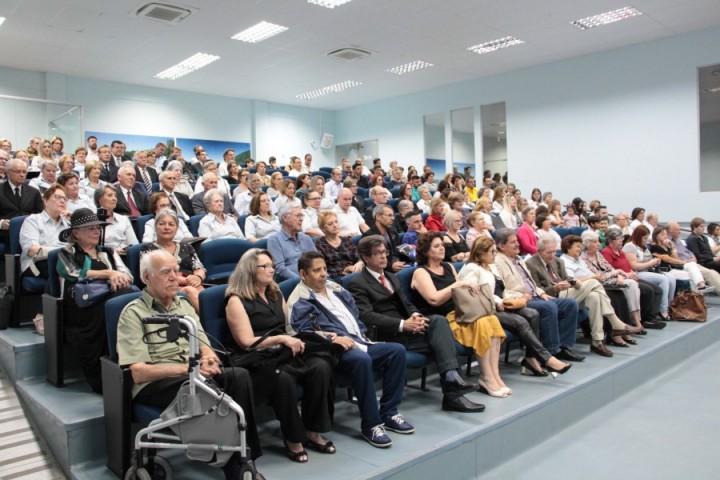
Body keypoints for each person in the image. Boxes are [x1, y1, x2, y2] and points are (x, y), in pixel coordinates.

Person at [116, 250, 265, 479]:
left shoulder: (183, 306)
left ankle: (247, 456)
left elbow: (205, 344)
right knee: (203, 389)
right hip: (158, 383)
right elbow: (138, 372)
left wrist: (207, 358)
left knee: (239, 376)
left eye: (176, 271)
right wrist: (190, 370)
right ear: (146, 277)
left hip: (192, 374)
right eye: (166, 272)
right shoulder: (133, 314)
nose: (175, 277)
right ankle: (235, 468)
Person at [348, 235, 485, 413]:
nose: (383, 256)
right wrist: (402, 324)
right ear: (366, 257)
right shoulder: (357, 283)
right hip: (387, 335)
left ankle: (452, 379)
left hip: (408, 329)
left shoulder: (391, 276)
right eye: (377, 253)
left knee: (438, 321)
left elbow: (407, 304)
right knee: (443, 341)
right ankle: (453, 393)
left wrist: (416, 316)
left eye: (384, 252)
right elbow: (367, 316)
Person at [224, 249, 335, 462]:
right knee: (282, 378)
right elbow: (246, 342)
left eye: (271, 265)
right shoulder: (236, 300)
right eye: (264, 266)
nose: (271, 269)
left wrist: (314, 334)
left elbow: (289, 328)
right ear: (249, 270)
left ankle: (313, 430)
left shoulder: (275, 293)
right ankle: (293, 438)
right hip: (257, 359)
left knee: (321, 365)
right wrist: (282, 339)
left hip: (283, 352)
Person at [287, 252, 408, 447]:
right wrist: (332, 338)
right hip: (332, 351)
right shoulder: (299, 300)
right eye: (316, 271)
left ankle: (389, 413)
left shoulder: (336, 288)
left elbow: (355, 316)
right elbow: (300, 333)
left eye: (324, 269)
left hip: (359, 341)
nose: (323, 274)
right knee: (361, 360)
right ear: (303, 274)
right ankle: (371, 424)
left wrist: (360, 335)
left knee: (397, 351)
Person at [412, 232, 511, 397]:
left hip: (460, 312)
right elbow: (434, 300)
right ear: (425, 251)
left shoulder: (449, 267)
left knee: (491, 319)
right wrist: (457, 285)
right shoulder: (420, 272)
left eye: (442, 245)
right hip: (442, 320)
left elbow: (461, 294)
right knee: (482, 323)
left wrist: (469, 287)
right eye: (436, 246)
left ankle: (494, 375)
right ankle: (485, 377)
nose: (442, 248)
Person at [458, 236, 572, 378]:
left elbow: (502, 289)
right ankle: (548, 358)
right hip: (485, 311)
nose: (495, 255)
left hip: (500, 304)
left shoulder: (491, 266)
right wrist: (499, 301)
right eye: (492, 252)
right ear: (481, 254)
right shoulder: (472, 269)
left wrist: (515, 298)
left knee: (533, 313)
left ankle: (531, 358)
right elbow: (476, 294)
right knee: (520, 321)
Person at [57, 208, 135, 393]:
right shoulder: (66, 252)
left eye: (98, 228)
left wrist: (120, 276)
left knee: (128, 298)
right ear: (76, 233)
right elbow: (73, 273)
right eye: (90, 228)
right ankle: (104, 378)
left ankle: (129, 364)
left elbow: (127, 274)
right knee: (116, 305)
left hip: (111, 299)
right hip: (82, 306)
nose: (96, 232)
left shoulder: (108, 252)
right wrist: (109, 273)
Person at [528, 234, 640, 356]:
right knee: (593, 282)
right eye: (549, 252)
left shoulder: (557, 261)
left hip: (569, 290)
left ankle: (597, 342)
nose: (552, 255)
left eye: (554, 251)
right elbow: (535, 289)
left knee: (595, 297)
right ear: (539, 251)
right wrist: (554, 288)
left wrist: (573, 282)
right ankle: (615, 321)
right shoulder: (531, 264)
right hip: (553, 296)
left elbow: (568, 278)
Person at [493, 229, 584, 361]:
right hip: (520, 299)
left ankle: (563, 347)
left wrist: (541, 293)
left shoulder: (518, 259)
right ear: (501, 246)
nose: (517, 244)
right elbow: (502, 288)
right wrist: (521, 296)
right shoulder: (498, 262)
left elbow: (531, 283)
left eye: (517, 241)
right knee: (549, 307)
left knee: (570, 304)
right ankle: (552, 351)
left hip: (535, 295)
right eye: (513, 242)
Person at [580, 230, 649, 333]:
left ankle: (633, 322)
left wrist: (619, 274)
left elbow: (610, 268)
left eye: (598, 241)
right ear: (587, 243)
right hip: (601, 283)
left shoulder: (598, 254)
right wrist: (618, 273)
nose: (598, 244)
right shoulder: (584, 258)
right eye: (595, 242)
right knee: (629, 286)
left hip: (612, 280)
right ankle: (631, 323)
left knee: (631, 286)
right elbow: (600, 277)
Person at [139, 209, 206, 311]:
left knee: (206, 293)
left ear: (177, 228)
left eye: (171, 224)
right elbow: (153, 275)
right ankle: (209, 325)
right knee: (191, 291)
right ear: (155, 227)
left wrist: (197, 277)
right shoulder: (148, 249)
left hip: (192, 284)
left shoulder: (186, 246)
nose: (167, 227)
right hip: (164, 287)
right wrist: (188, 280)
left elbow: (199, 267)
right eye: (162, 224)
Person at [601, 228, 667, 329]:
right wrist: (627, 274)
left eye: (621, 238)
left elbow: (627, 266)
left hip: (629, 276)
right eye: (618, 239)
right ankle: (643, 319)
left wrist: (631, 273)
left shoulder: (621, 252)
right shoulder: (607, 252)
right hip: (621, 278)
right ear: (610, 240)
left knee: (657, 290)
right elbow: (610, 270)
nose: (621, 241)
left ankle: (650, 317)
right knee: (647, 290)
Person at [620, 225, 675, 321]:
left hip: (648, 270)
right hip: (638, 272)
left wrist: (654, 261)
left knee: (671, 278)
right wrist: (651, 262)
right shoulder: (630, 247)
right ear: (638, 236)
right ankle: (663, 310)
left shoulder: (643, 246)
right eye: (644, 238)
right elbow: (634, 266)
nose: (646, 240)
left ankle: (669, 305)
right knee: (663, 279)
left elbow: (649, 259)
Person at [19, 185, 71, 278]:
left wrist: (73, 221)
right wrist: (63, 252)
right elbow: (32, 250)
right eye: (58, 197)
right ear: (46, 201)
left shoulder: (68, 223)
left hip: (65, 261)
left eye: (65, 198)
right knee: (64, 268)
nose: (62, 201)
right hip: (36, 264)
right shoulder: (33, 220)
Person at [267, 203, 317, 282]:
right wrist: (301, 280)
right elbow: (280, 269)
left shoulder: (306, 239)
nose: (301, 219)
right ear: (285, 218)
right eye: (298, 216)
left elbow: (317, 261)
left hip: (313, 280)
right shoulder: (274, 240)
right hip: (292, 284)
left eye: (302, 216)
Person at [667, 221, 720, 292]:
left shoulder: (678, 241)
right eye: (677, 230)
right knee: (709, 273)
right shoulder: (669, 242)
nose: (679, 231)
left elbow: (689, 252)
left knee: (713, 272)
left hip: (693, 262)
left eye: (680, 229)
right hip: (684, 265)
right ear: (670, 232)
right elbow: (674, 258)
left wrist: (693, 257)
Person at [315, 211, 363, 280]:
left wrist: (359, 263)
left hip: (354, 271)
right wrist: (344, 271)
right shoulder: (319, 245)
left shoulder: (346, 240)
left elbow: (359, 257)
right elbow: (323, 268)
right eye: (330, 224)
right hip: (337, 277)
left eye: (336, 222)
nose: (335, 225)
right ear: (323, 229)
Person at [93, 185, 137, 254]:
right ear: (99, 199)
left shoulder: (124, 219)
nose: (114, 198)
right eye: (110, 195)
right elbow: (91, 247)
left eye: (115, 196)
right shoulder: (92, 221)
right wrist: (114, 251)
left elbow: (134, 244)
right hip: (104, 256)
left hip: (124, 256)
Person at [363, 204, 405, 272]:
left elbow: (397, 252)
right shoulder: (369, 237)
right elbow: (371, 262)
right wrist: (391, 266)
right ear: (378, 217)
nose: (393, 218)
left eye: (393, 215)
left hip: (398, 266)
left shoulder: (393, 233)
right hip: (383, 270)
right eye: (389, 215)